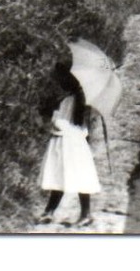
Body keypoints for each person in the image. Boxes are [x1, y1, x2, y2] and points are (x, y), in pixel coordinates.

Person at [36, 63, 102, 227]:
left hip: (66, 142)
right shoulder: (81, 101)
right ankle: (74, 213)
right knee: (76, 175)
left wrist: (53, 118)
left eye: (62, 79)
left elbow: (61, 122)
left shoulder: (68, 101)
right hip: (76, 143)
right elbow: (84, 127)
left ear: (70, 80)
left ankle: (52, 211)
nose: (60, 82)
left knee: (62, 174)